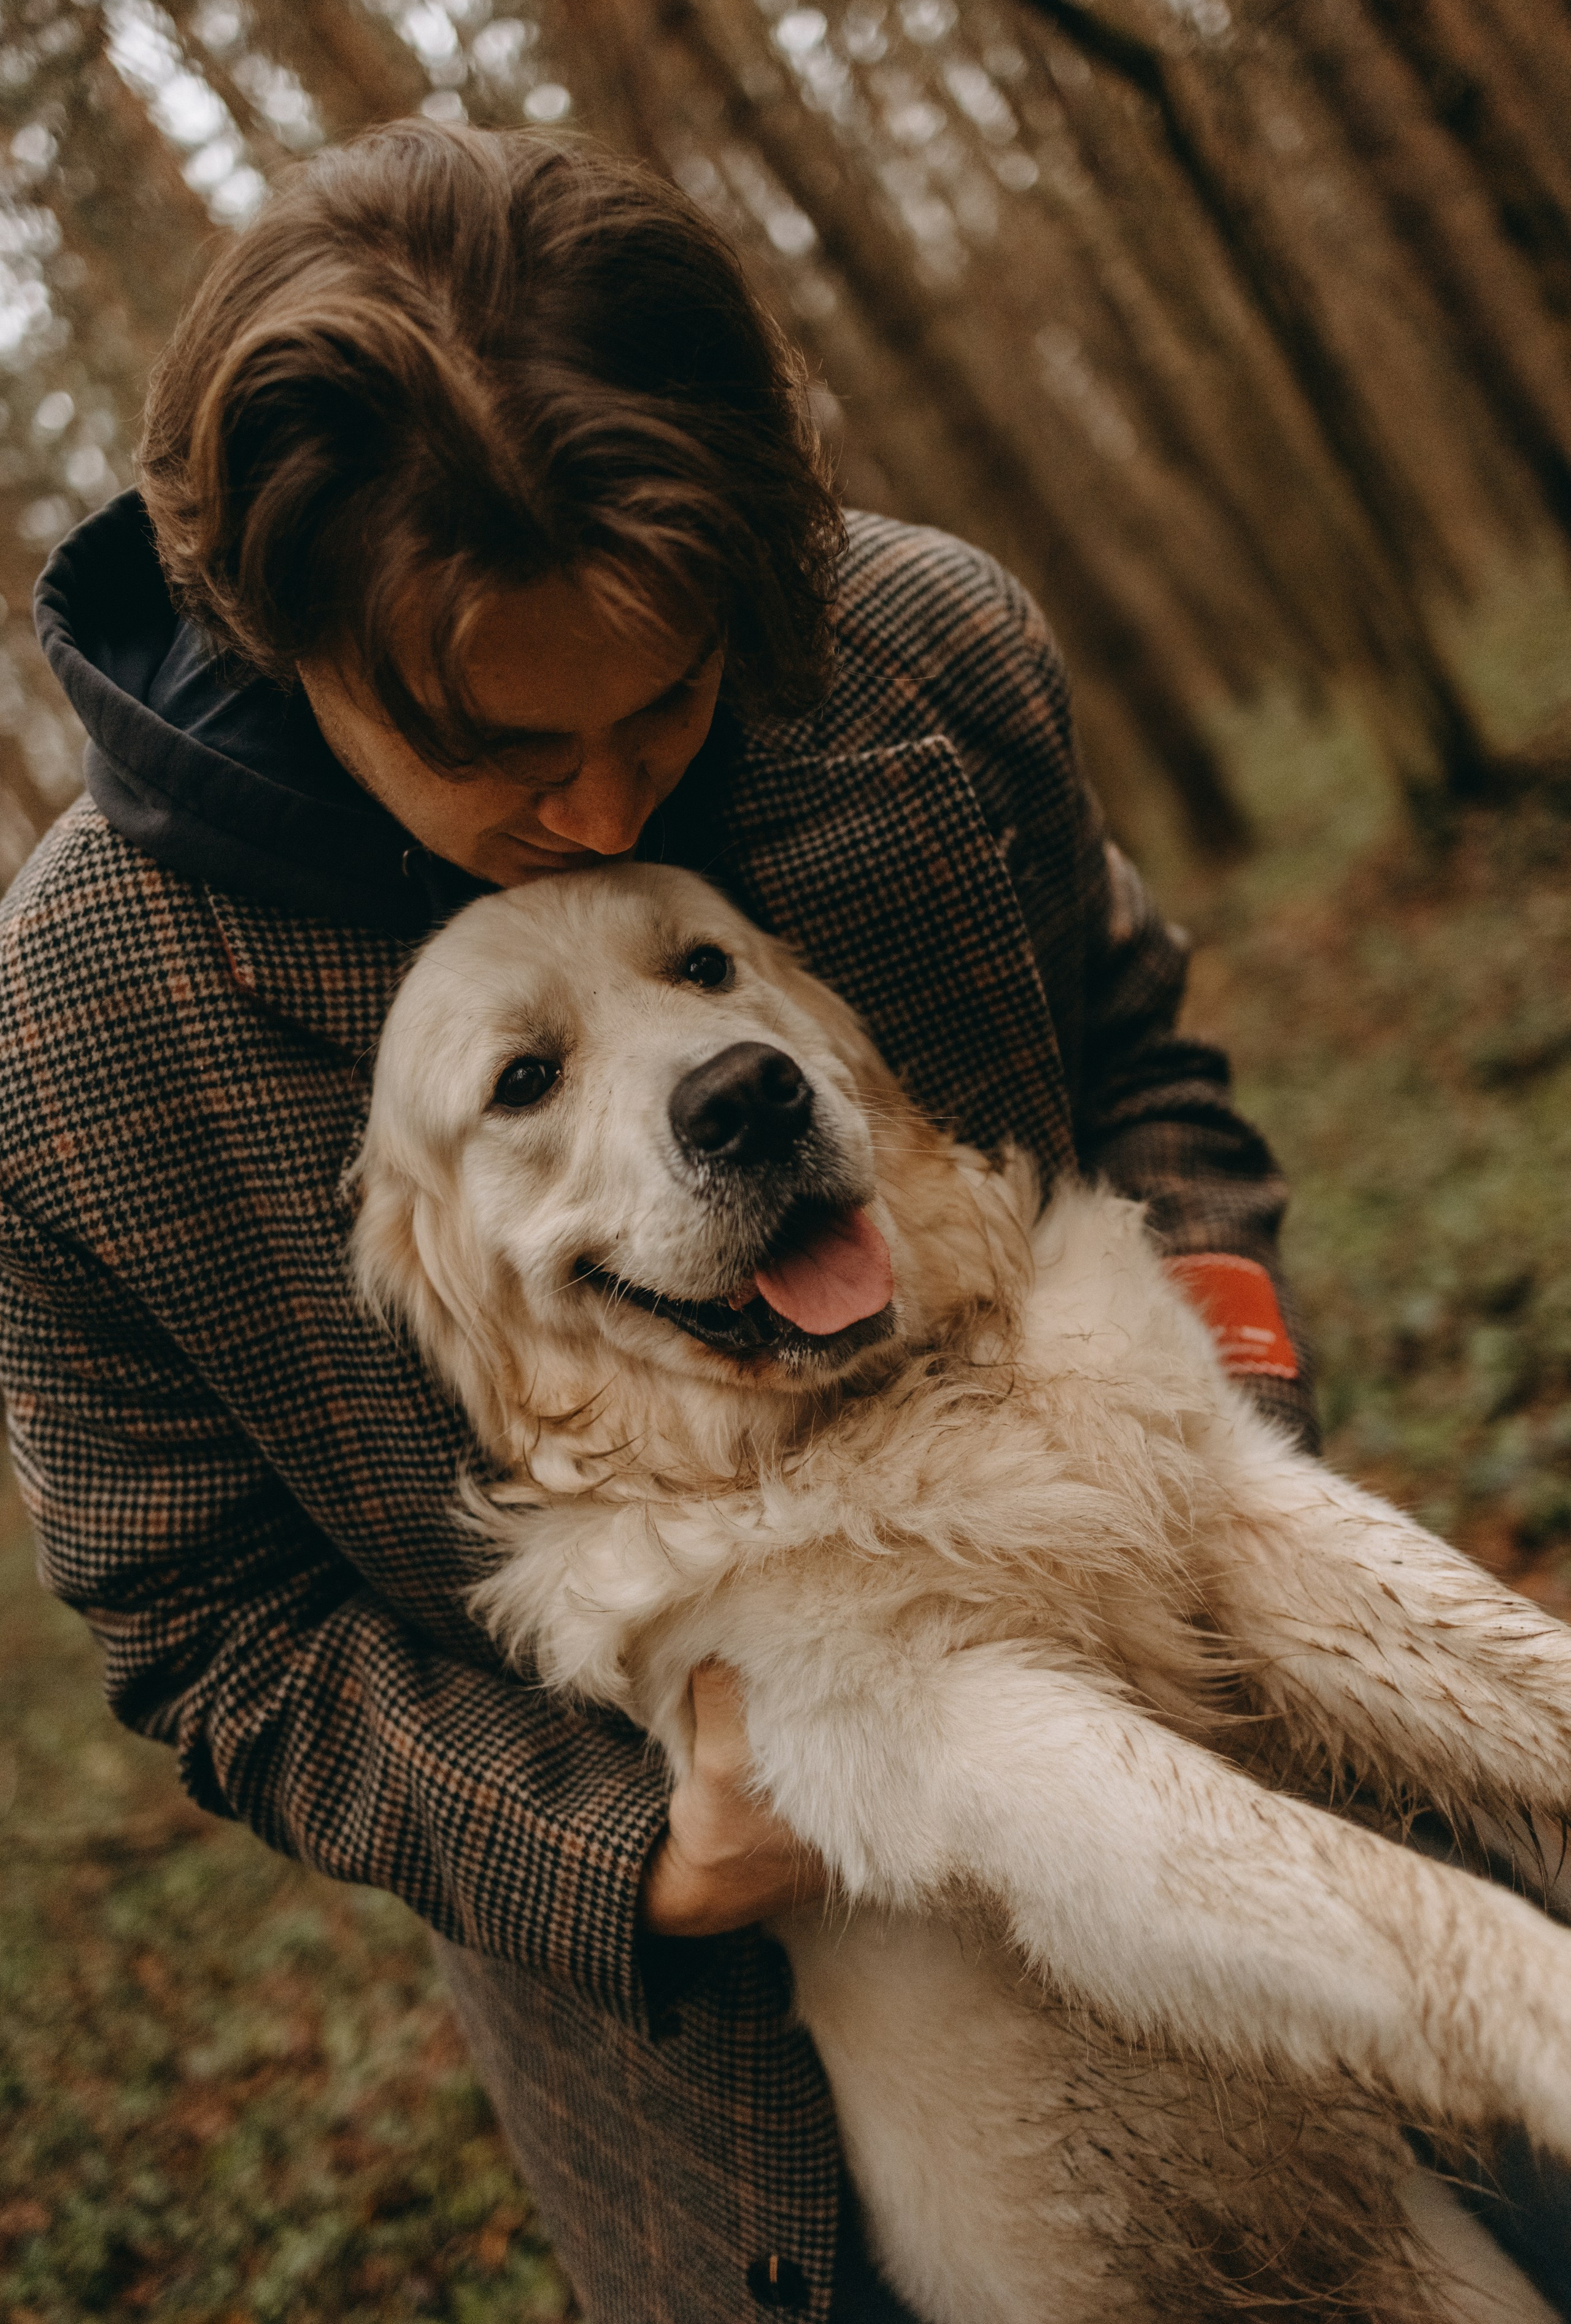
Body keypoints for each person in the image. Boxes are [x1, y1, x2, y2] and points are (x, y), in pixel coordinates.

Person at [4, 117, 1413, 2323]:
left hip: (1300, 1820)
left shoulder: (930, 651)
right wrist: (634, 1854)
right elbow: (206, 1630)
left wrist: (1225, 1411)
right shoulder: (70, 1040)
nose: (595, 804)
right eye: (491, 747)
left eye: (664, 701)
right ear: (273, 639)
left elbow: (1135, 1057)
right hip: (792, 2119)